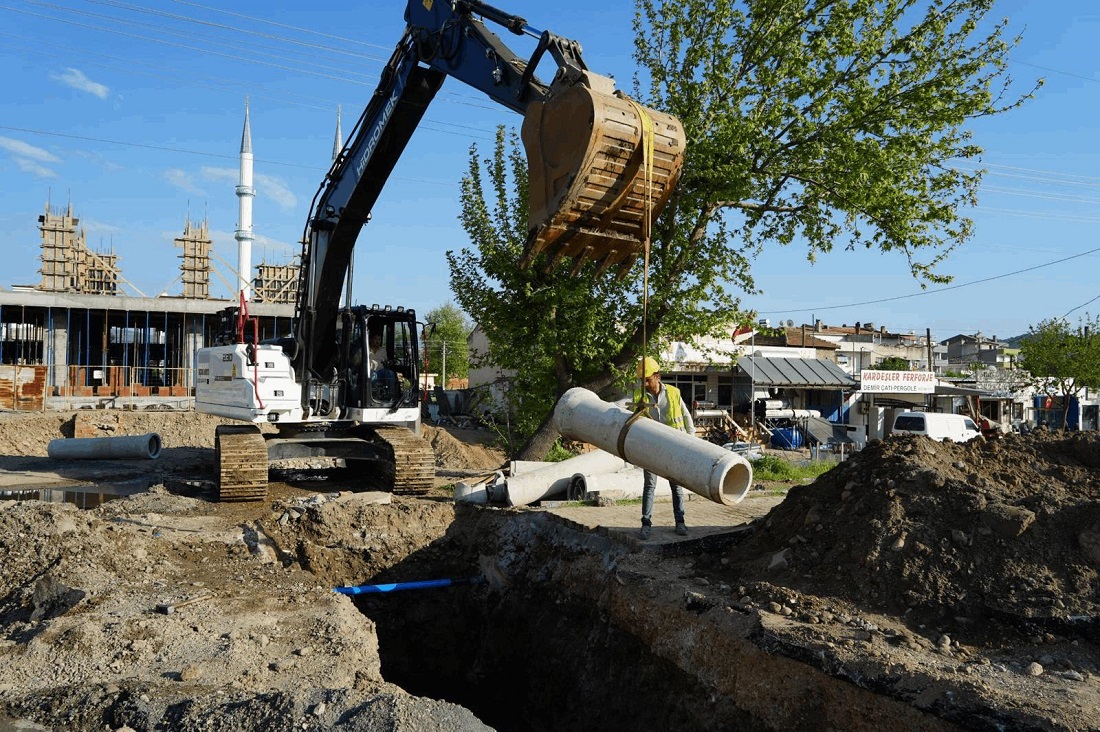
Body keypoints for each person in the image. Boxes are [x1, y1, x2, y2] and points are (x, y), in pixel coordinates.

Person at [633, 356, 694, 540]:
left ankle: (680, 522)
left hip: (674, 447)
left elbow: (686, 416)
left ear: (657, 376)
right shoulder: (639, 396)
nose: (644, 384)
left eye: (648, 379)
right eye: (641, 380)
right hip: (651, 448)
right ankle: (646, 524)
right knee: (649, 486)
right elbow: (633, 422)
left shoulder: (674, 393)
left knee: (676, 486)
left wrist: (691, 442)